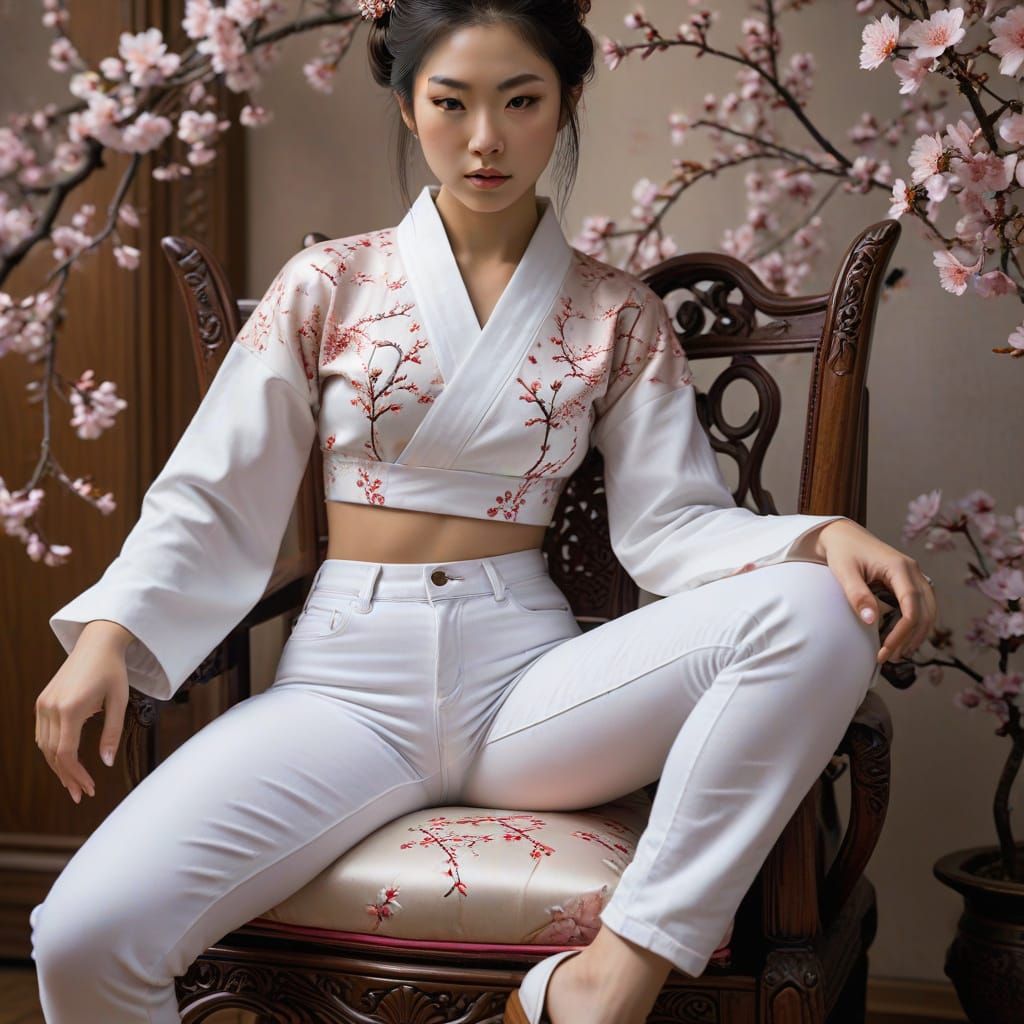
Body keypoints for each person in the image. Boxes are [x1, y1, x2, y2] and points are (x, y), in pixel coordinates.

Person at [30, 2, 936, 1022]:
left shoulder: (616, 312)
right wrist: (113, 630)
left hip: (527, 689)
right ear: (410, 109)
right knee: (80, 936)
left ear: (566, 102)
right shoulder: (327, 284)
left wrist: (825, 538)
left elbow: (673, 527)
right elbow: (214, 487)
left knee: (821, 611)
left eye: (520, 101)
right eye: (451, 103)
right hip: (344, 688)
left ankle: (612, 972)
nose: (485, 138)